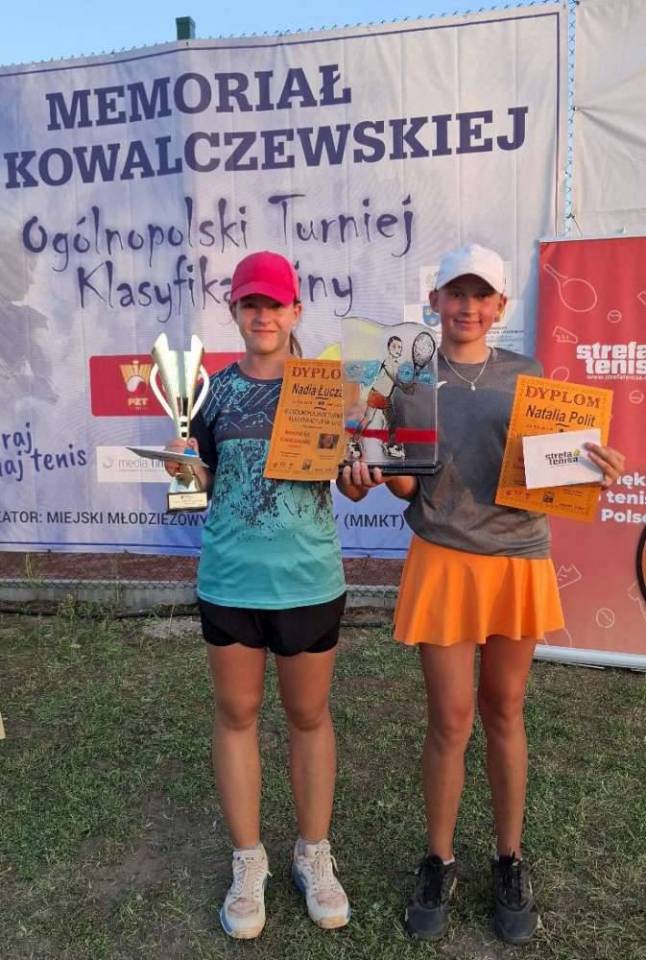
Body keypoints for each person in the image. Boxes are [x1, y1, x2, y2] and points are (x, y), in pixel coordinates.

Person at [338, 243, 625, 945]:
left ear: (500, 307)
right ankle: (438, 860)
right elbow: (405, 480)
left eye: (481, 296)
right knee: (450, 718)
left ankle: (509, 859)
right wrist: (368, 473)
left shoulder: (529, 377)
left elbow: (556, 469)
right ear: (435, 301)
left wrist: (596, 467)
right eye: (456, 294)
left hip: (518, 561)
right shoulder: (407, 383)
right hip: (444, 560)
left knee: (505, 710)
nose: (467, 307)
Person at [164, 251, 350, 940]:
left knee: (308, 715)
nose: (263, 315)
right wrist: (186, 469)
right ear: (236, 312)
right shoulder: (209, 394)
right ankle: (249, 861)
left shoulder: (327, 389)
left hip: (307, 580)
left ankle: (313, 853)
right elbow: (207, 483)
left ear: (296, 311)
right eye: (251, 304)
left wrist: (359, 470)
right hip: (231, 579)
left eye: (275, 304)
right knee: (236, 713)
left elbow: (349, 479)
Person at [349, 334, 406, 460]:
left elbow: (400, 379)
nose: (397, 349)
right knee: (368, 418)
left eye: (399, 347)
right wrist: (405, 385)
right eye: (394, 346)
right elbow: (395, 378)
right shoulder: (387, 362)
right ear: (388, 348)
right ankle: (354, 441)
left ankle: (390, 444)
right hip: (376, 395)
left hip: (385, 397)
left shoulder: (397, 365)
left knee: (391, 421)